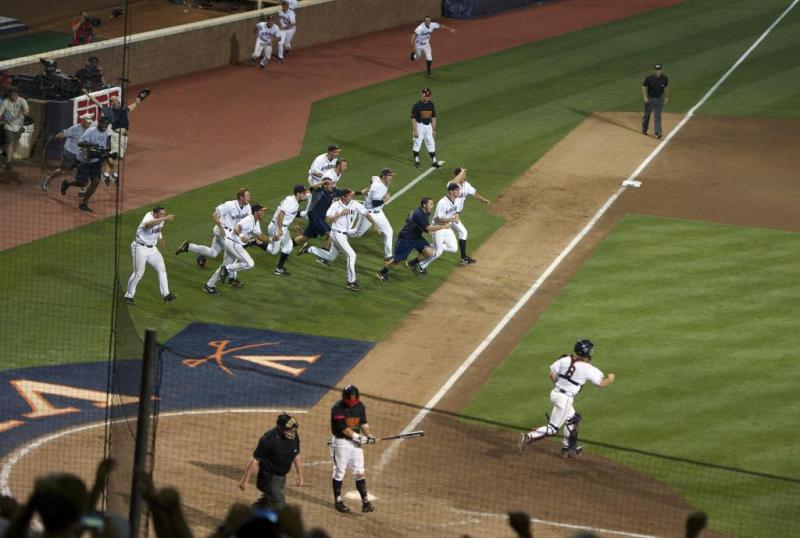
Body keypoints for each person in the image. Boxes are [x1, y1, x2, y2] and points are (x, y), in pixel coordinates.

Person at [518, 340, 615, 457]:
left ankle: (567, 448)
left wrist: (560, 385)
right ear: (585, 353)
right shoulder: (588, 368)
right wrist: (610, 378)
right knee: (553, 429)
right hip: (565, 399)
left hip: (555, 394)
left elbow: (552, 374)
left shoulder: (564, 359)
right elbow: (601, 383)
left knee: (573, 418)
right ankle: (528, 437)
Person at [175, 188, 252, 288]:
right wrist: (220, 227)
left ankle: (188, 246)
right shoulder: (230, 205)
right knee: (231, 257)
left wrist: (245, 235)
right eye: (247, 196)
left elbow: (246, 221)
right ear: (241, 197)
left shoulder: (248, 207)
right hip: (221, 232)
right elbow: (214, 214)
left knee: (213, 253)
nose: (249, 198)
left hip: (230, 234)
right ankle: (224, 281)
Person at [305, 189, 377, 291]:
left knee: (331, 257)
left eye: (351, 196)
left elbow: (366, 213)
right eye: (348, 196)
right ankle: (351, 282)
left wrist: (374, 224)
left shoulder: (355, 204)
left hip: (344, 235)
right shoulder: (335, 205)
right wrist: (340, 213)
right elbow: (329, 219)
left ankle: (310, 249)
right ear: (342, 197)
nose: (350, 197)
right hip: (336, 234)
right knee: (351, 255)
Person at [376, 197, 451, 282]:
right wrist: (443, 226)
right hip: (406, 239)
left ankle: (411, 264)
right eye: (430, 204)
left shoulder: (424, 212)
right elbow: (429, 227)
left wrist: (432, 232)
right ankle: (382, 273)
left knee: (429, 252)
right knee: (396, 260)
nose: (432, 206)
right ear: (424, 205)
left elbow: (423, 226)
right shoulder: (419, 214)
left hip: (416, 237)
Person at [239, 413, 304, 511]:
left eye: (294, 429)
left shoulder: (294, 436)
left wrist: (300, 475)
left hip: (282, 476)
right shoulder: (268, 439)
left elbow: (296, 454)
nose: (292, 432)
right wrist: (245, 480)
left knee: (267, 501)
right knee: (279, 503)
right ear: (280, 428)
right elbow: (254, 459)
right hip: (268, 477)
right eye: (289, 430)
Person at [84, 89, 147, 184]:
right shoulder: (109, 111)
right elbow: (97, 103)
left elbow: (130, 107)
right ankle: (106, 174)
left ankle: (113, 174)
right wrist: (87, 94)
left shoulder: (123, 110)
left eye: (118, 99)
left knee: (119, 157)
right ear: (112, 103)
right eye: (115, 100)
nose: (118, 101)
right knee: (115, 155)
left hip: (124, 136)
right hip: (116, 135)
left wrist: (137, 102)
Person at [330, 385, 375, 513]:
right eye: (350, 401)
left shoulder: (360, 406)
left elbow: (363, 423)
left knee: (359, 471)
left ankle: (365, 502)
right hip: (341, 443)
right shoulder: (337, 408)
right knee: (339, 471)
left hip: (355, 445)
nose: (352, 403)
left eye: (354, 401)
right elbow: (344, 429)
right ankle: (338, 501)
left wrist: (369, 435)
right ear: (344, 398)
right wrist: (359, 437)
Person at [205, 203, 267, 295]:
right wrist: (244, 237)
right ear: (256, 212)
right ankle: (224, 273)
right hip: (232, 241)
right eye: (262, 211)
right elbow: (237, 229)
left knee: (225, 265)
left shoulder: (254, 221)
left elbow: (258, 235)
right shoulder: (248, 220)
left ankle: (209, 285)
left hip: (232, 241)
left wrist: (272, 239)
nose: (263, 213)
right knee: (247, 263)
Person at [123, 205, 177, 304]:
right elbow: (148, 225)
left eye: (164, 214)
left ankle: (166, 295)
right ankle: (128, 295)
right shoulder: (148, 216)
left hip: (152, 249)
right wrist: (164, 218)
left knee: (162, 269)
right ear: (155, 214)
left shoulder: (161, 219)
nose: (163, 216)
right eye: (161, 214)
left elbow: (158, 228)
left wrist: (160, 238)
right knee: (138, 273)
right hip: (140, 248)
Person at [60, 115, 112, 212]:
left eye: (107, 124)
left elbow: (104, 146)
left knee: (96, 181)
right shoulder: (91, 131)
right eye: (104, 123)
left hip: (96, 161)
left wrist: (106, 154)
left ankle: (84, 203)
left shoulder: (106, 133)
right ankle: (66, 183)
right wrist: (92, 144)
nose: (105, 126)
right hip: (84, 160)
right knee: (83, 183)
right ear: (99, 123)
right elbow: (80, 143)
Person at [294, 178, 348, 260]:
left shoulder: (332, 192)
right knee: (331, 234)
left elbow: (343, 192)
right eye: (330, 184)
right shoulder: (319, 192)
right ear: (325, 185)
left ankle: (289, 245)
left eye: (332, 183)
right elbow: (312, 187)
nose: (332, 185)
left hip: (320, 219)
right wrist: (322, 182)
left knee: (305, 237)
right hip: (315, 218)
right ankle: (322, 257)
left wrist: (357, 192)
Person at [349, 168, 395, 262]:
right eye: (390, 176)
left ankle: (388, 256)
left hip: (379, 213)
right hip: (368, 213)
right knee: (357, 233)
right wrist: (384, 200)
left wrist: (369, 192)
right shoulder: (377, 186)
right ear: (384, 176)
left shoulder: (377, 179)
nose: (391, 178)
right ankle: (338, 234)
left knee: (389, 231)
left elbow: (372, 178)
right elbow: (374, 203)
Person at [41, 113, 94, 192]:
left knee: (82, 171)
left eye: (90, 122)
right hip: (70, 153)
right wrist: (56, 137)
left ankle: (82, 188)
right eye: (87, 122)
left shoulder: (90, 130)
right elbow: (63, 134)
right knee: (62, 170)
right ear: (82, 121)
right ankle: (47, 180)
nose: (88, 124)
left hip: (81, 155)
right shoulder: (75, 128)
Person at [416, 182, 462, 272]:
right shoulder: (443, 202)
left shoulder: (456, 200)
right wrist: (452, 220)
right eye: (457, 190)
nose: (459, 191)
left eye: (459, 189)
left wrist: (456, 216)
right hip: (438, 228)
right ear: (451, 192)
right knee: (438, 252)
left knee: (453, 248)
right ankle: (421, 265)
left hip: (446, 228)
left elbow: (455, 212)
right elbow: (437, 219)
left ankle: (428, 246)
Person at [450, 166, 490, 264]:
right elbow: (453, 183)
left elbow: (474, 193)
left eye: (465, 175)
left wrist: (484, 200)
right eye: (462, 175)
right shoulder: (452, 186)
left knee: (460, 234)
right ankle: (463, 258)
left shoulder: (466, 185)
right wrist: (461, 172)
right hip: (450, 215)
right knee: (463, 233)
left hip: (455, 215)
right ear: (458, 176)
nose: (465, 176)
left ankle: (463, 258)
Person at [267, 186, 308, 276]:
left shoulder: (295, 202)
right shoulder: (290, 201)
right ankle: (254, 241)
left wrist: (294, 226)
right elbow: (281, 214)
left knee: (288, 246)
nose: (305, 195)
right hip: (277, 226)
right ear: (298, 193)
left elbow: (288, 215)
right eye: (304, 193)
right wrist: (280, 229)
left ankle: (279, 268)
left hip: (282, 227)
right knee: (274, 251)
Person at [301, 144, 340, 218]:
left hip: (326, 182)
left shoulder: (335, 160)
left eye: (337, 152)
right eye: (335, 152)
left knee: (327, 197)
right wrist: (325, 178)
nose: (337, 154)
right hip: (315, 180)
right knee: (317, 199)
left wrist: (331, 181)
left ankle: (312, 210)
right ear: (330, 152)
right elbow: (313, 173)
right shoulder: (319, 160)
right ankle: (308, 213)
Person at [0, 87, 29, 170]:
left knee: (13, 142)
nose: (13, 97)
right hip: (8, 125)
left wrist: (24, 112)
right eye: (12, 95)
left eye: (15, 95)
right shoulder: (5, 102)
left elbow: (26, 112)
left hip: (19, 125)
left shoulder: (22, 101)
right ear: (10, 95)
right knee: (10, 142)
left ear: (17, 95)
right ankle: (8, 161)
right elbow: (0, 113)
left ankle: (2, 150)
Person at [410, 88, 440, 169]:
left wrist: (433, 129)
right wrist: (415, 130)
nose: (427, 98)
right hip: (419, 126)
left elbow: (433, 117)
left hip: (428, 126)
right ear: (422, 95)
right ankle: (416, 160)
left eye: (428, 96)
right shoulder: (416, 105)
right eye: (426, 96)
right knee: (417, 143)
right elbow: (413, 119)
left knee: (431, 143)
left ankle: (434, 161)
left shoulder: (431, 104)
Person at [642, 63, 669, 139]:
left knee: (657, 116)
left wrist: (666, 97)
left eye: (659, 70)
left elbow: (666, 87)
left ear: (661, 70)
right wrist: (645, 97)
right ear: (654, 70)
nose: (658, 71)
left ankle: (657, 132)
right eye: (656, 70)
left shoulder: (664, 78)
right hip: (650, 99)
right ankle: (644, 129)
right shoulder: (649, 78)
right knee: (647, 115)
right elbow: (644, 87)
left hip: (659, 99)